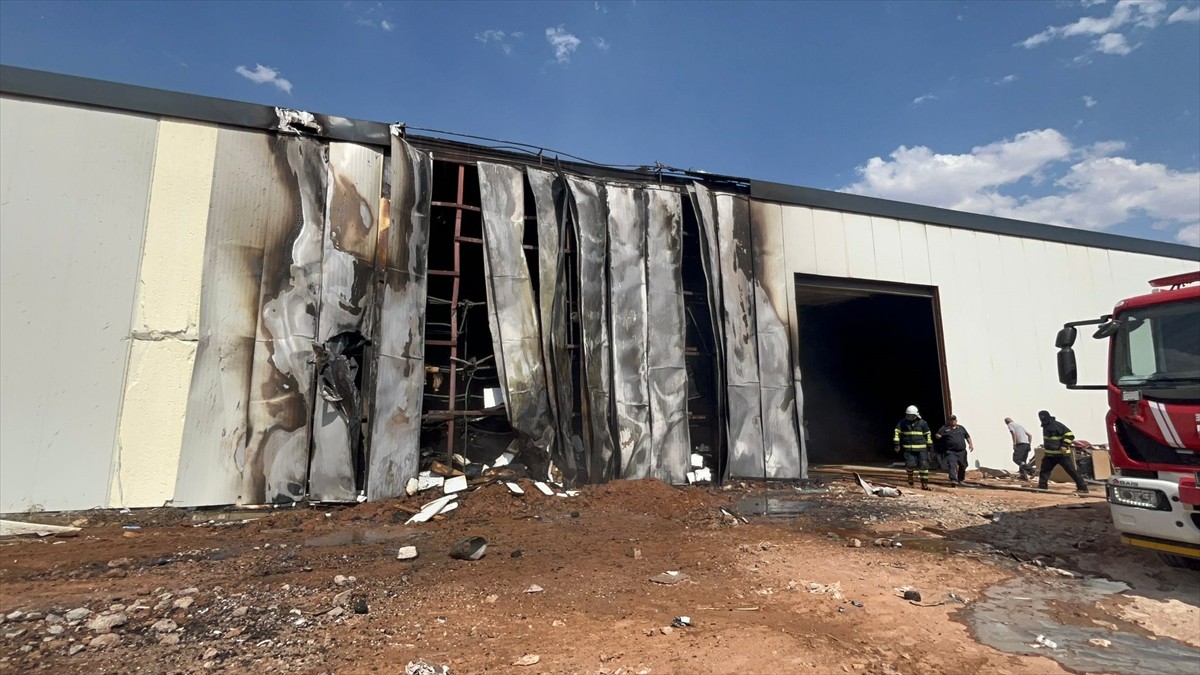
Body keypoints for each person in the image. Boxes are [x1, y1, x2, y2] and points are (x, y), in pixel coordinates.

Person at [1037, 410, 1089, 494]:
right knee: (1044, 471)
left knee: (1071, 471)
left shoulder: (1057, 425)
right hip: (1050, 455)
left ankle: (1082, 488)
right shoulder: (1045, 426)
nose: (1042, 419)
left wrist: (1064, 445)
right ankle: (1042, 488)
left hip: (1062, 455)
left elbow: (1070, 435)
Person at [893, 405, 932, 490]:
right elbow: (897, 432)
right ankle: (910, 475)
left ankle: (924, 484)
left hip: (922, 448)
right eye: (908, 415)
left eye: (912, 415)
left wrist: (930, 447)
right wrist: (896, 444)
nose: (910, 417)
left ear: (916, 415)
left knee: (924, 466)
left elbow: (928, 434)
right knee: (910, 465)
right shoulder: (902, 422)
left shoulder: (923, 423)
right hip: (908, 448)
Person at [935, 415, 974, 487]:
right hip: (951, 451)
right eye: (951, 420)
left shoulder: (961, 428)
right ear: (949, 421)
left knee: (963, 465)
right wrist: (938, 436)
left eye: (954, 420)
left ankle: (961, 479)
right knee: (952, 465)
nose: (953, 421)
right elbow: (938, 434)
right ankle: (953, 480)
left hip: (962, 451)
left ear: (956, 421)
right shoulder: (945, 428)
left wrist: (970, 444)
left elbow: (967, 436)